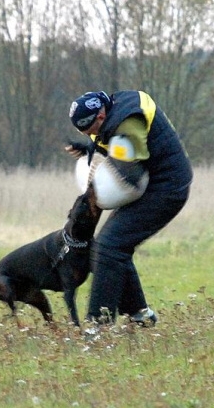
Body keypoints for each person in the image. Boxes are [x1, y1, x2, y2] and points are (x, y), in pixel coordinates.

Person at [66, 90, 193, 327]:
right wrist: (88, 149)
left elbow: (129, 170)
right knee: (112, 247)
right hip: (149, 185)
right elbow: (105, 141)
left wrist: (99, 184)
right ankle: (140, 314)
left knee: (108, 246)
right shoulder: (107, 115)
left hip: (167, 188)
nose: (89, 134)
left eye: (89, 129)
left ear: (101, 116)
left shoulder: (127, 125)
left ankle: (98, 325)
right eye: (83, 132)